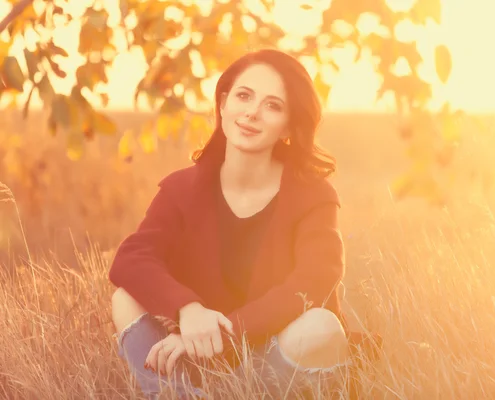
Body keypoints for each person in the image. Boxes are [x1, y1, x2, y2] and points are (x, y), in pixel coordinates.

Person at [108, 48, 359, 399]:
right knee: (125, 297)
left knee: (321, 326)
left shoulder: (312, 195)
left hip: (273, 360)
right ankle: (174, 394)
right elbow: (131, 258)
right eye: (244, 96)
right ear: (223, 104)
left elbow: (315, 281)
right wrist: (188, 309)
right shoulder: (182, 188)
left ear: (288, 126)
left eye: (273, 106)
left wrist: (226, 334)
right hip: (198, 359)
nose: (252, 113)